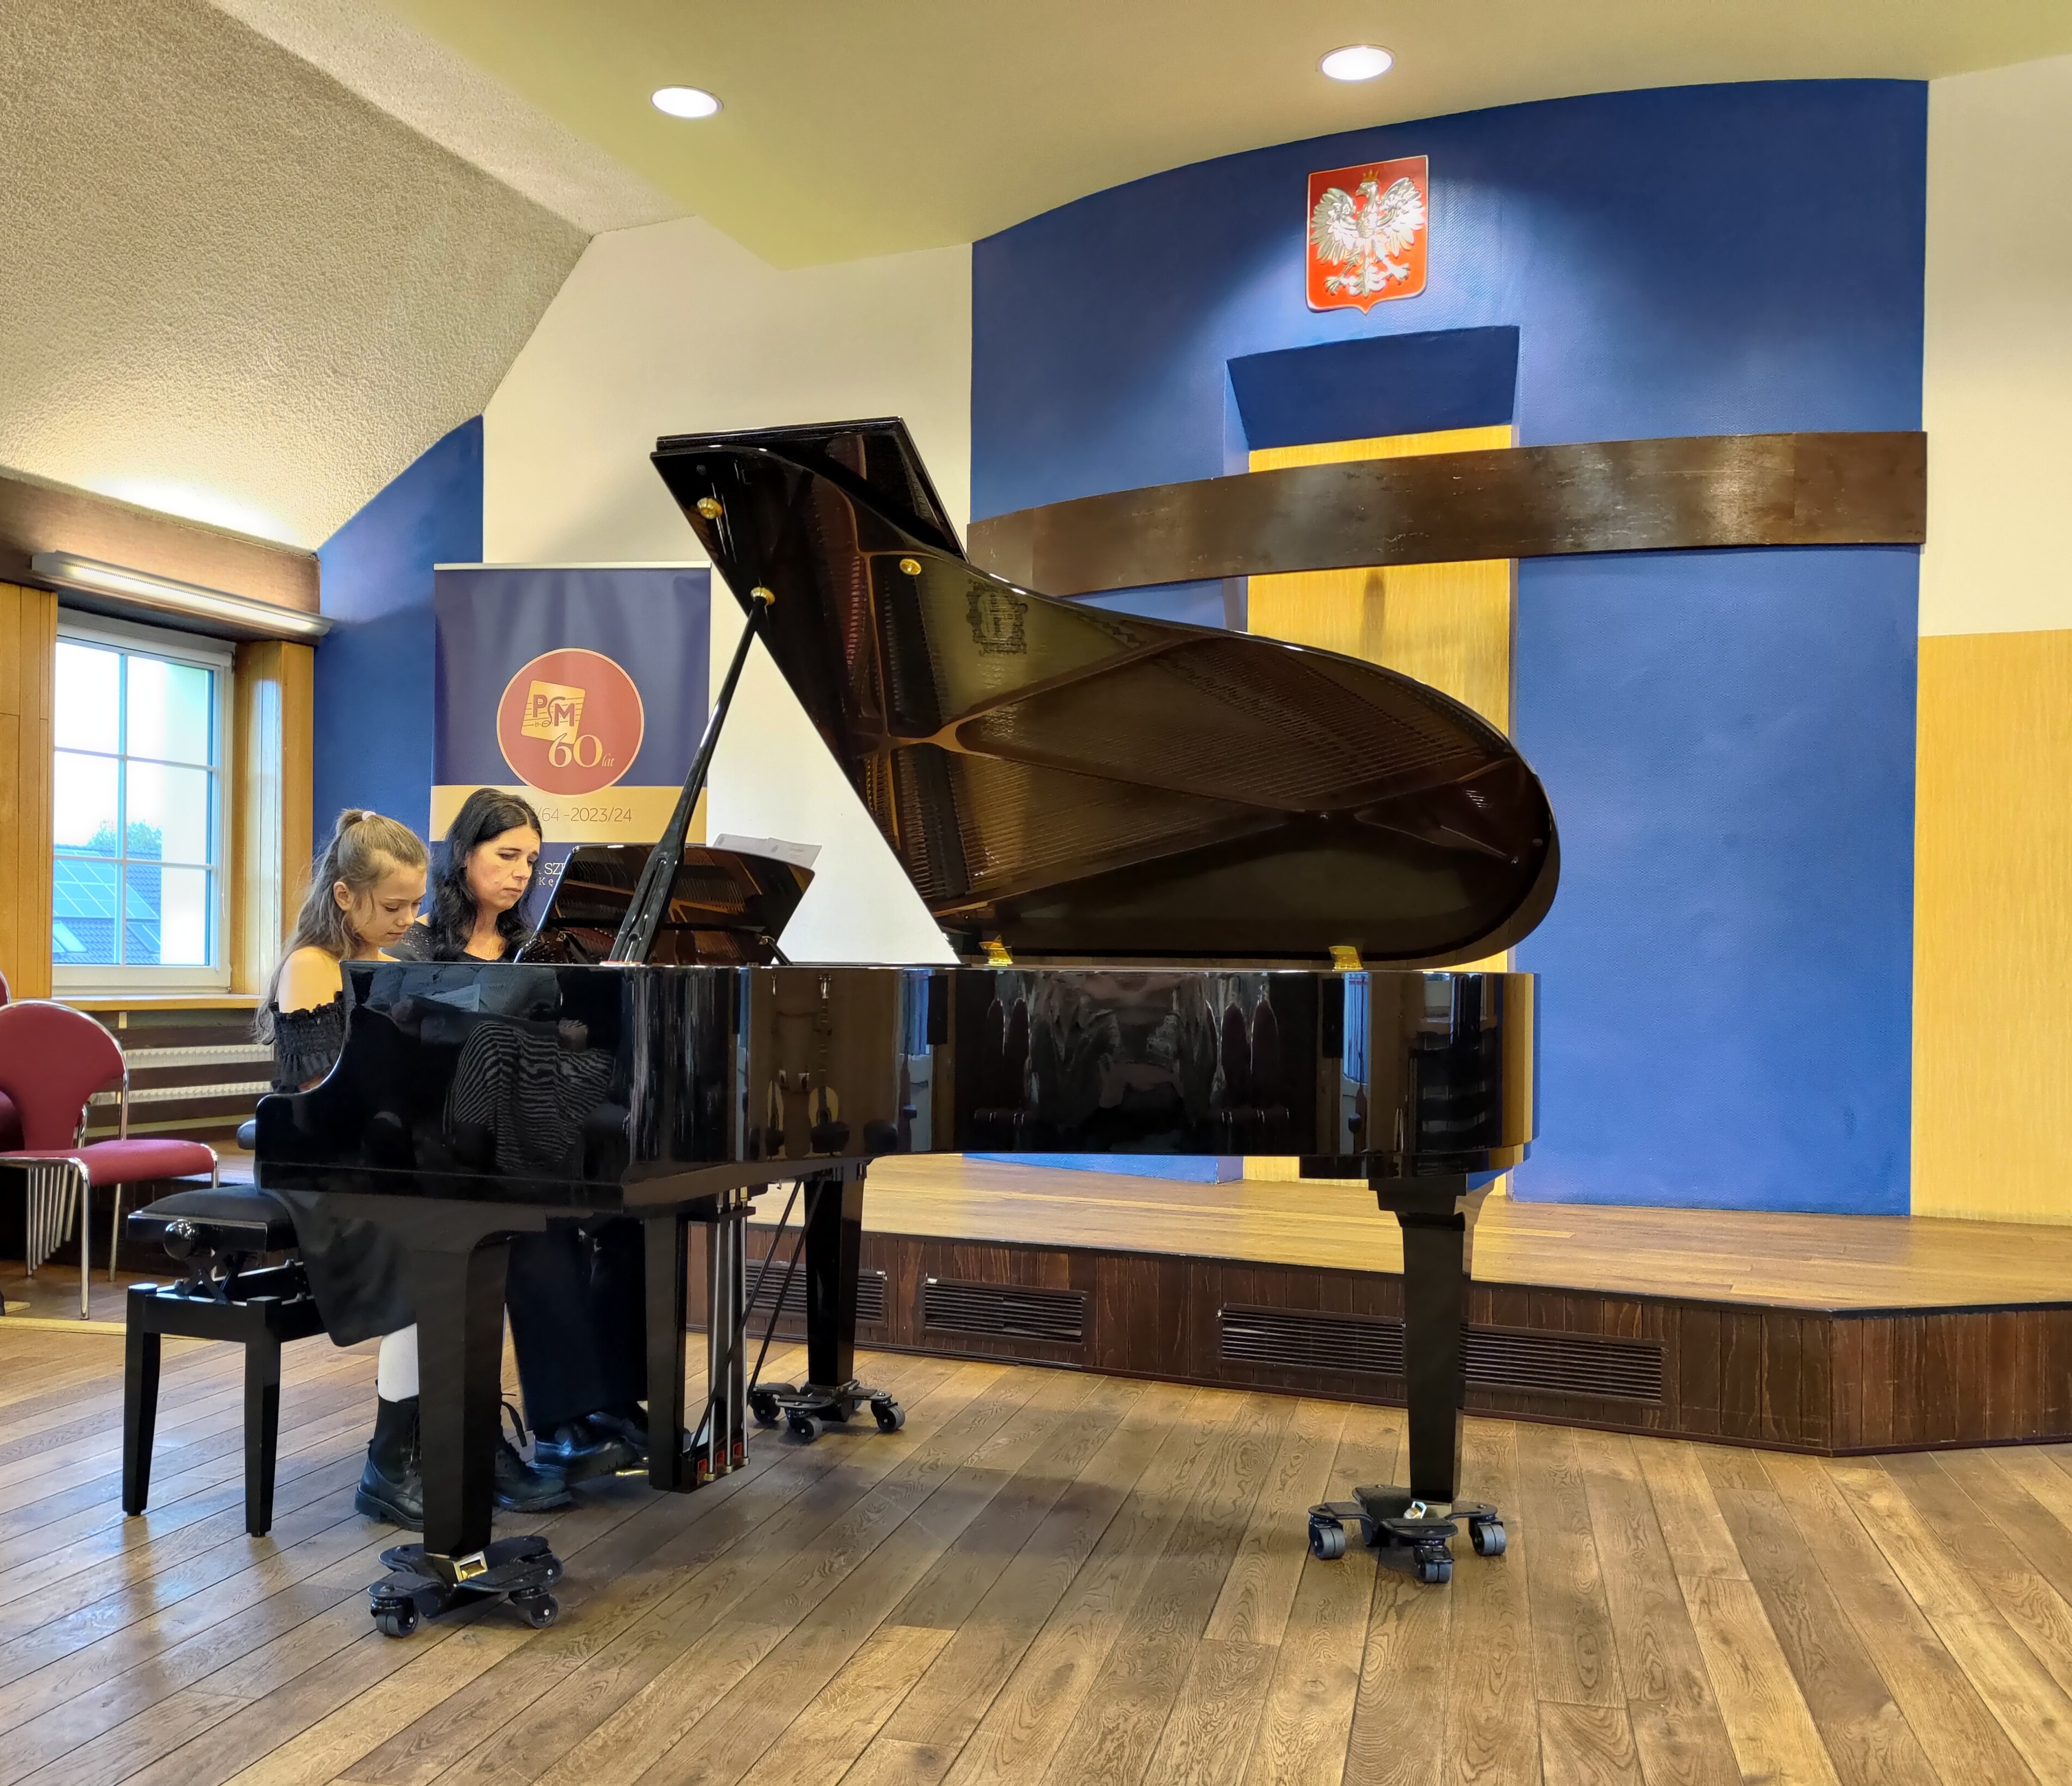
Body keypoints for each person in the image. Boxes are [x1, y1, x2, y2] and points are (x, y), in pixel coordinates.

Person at [262, 808, 570, 1527]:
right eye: (394, 905)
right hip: (324, 1170)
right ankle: (391, 1461)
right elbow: (323, 1094)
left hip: (382, 1159)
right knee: (429, 1247)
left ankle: (470, 1436)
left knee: (483, 1234)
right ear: (345, 895)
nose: (409, 919)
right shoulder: (311, 965)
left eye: (414, 905)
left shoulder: (394, 965)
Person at [391, 789, 648, 1483]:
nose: (521, 874)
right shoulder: (414, 945)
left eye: (532, 861)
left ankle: (613, 1400)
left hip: (539, 1133)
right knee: (538, 1228)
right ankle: (565, 1420)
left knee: (634, 1218)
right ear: (463, 853)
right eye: (506, 856)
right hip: (453, 1142)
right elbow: (408, 1059)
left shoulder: (537, 948)